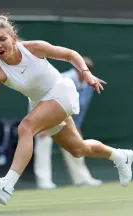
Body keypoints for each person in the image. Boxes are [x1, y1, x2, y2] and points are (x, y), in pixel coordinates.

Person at [0, 15, 133, 205]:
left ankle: (7, 185)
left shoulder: (33, 48)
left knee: (25, 127)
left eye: (3, 39)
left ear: (14, 38)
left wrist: (87, 74)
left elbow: (70, 55)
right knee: (78, 149)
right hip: (41, 103)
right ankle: (121, 156)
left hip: (61, 92)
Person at [33, 57, 102, 189]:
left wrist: (77, 125)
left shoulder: (89, 84)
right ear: (77, 69)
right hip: (45, 112)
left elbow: (81, 107)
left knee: (76, 144)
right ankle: (44, 181)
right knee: (44, 142)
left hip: (65, 117)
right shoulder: (64, 80)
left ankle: (82, 179)